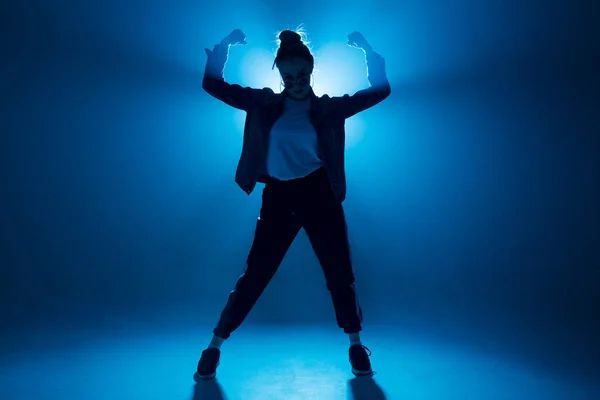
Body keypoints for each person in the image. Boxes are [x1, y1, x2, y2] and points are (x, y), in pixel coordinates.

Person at [196, 28, 391, 380]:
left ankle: (356, 345)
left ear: (311, 72)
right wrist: (222, 49)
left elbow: (380, 91)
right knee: (256, 274)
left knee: (338, 273)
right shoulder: (262, 104)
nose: (296, 82)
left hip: (319, 194)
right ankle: (213, 347)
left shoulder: (329, 109)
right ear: (280, 75)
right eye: (289, 76)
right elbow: (214, 86)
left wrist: (367, 50)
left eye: (302, 75)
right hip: (279, 196)